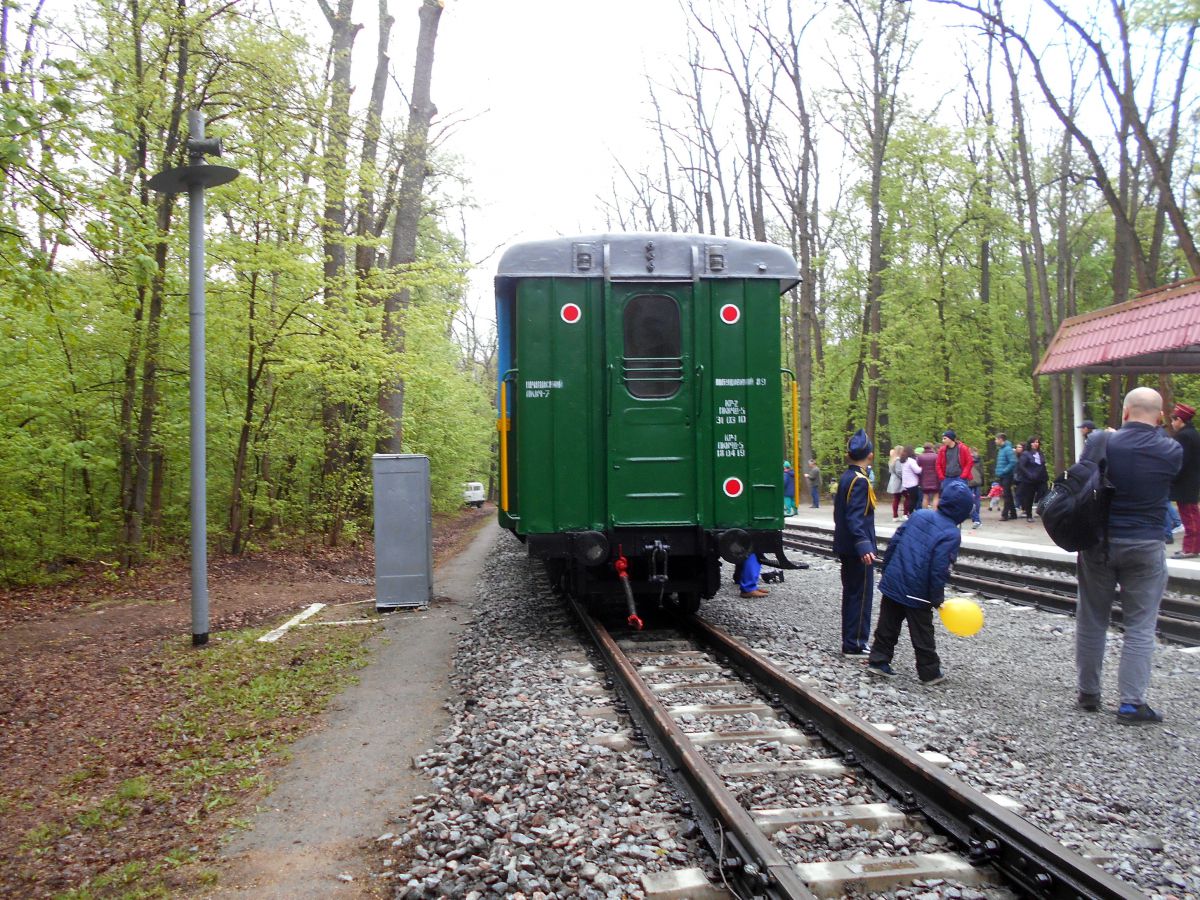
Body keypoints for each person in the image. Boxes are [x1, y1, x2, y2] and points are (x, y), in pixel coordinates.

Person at [1076, 387, 1181, 724]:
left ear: (1124, 413)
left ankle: (1089, 693)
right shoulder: (1171, 449)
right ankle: (1131, 704)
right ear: (1161, 416)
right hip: (1146, 546)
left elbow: (1081, 476)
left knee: (1092, 617)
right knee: (1140, 626)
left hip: (1099, 543)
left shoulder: (1103, 443)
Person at [866, 479, 973, 684]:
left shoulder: (920, 514)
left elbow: (895, 541)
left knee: (887, 624)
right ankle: (929, 673)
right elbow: (939, 569)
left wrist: (887, 570)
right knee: (922, 633)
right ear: (963, 511)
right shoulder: (951, 533)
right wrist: (936, 598)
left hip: (895, 582)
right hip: (918, 592)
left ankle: (878, 661)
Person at [833, 429, 877, 655]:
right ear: (869, 455)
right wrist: (864, 544)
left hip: (846, 546)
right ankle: (856, 643)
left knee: (851, 593)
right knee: (860, 596)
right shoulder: (860, 481)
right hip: (858, 549)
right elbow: (855, 516)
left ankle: (850, 640)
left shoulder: (846, 477)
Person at [1169, 403, 1200, 559]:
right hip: (1191, 480)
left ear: (1180, 420)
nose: (1173, 424)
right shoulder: (1193, 433)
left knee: (1189, 516)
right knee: (1191, 514)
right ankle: (1193, 546)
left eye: (1174, 420)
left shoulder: (1184, 436)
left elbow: (1180, 461)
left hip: (1185, 482)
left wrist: (1172, 477)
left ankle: (1190, 548)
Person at [1015, 436, 1048, 523]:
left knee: (1044, 494)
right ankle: (1029, 515)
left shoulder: (1040, 453)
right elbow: (1021, 466)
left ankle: (1042, 511)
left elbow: (1043, 464)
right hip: (1029, 480)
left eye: (1037, 442)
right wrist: (1029, 474)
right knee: (1029, 497)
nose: (1035, 444)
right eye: (1033, 442)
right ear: (1030, 444)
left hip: (1041, 478)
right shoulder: (1026, 454)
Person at [994, 433, 1017, 520]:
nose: (995, 441)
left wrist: (1004, 471)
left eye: (996, 439)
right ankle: (1013, 513)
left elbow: (1013, 462)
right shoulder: (1001, 449)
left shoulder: (1007, 449)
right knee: (1008, 495)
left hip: (1007, 475)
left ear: (1001, 439)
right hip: (1002, 475)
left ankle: (1005, 515)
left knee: (1006, 495)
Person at [899, 446, 922, 517]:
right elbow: (918, 470)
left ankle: (909, 513)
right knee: (914, 499)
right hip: (913, 483)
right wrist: (922, 467)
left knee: (911, 498)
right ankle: (911, 513)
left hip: (906, 483)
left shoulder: (903, 460)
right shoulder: (911, 461)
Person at [916, 442, 940, 508]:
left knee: (925, 496)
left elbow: (918, 467)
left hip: (924, 479)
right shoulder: (936, 456)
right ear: (932, 448)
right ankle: (935, 512)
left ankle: (925, 513)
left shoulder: (920, 457)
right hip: (935, 479)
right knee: (936, 496)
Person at [886, 446, 904, 522]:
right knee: (906, 496)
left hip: (893, 479)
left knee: (896, 498)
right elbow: (899, 471)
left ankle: (895, 515)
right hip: (899, 480)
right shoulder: (898, 460)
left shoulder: (892, 460)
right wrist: (904, 478)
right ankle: (904, 514)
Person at [967, 450, 983, 529]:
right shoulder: (978, 460)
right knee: (977, 500)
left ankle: (975, 517)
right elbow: (981, 472)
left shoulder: (966, 460)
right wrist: (982, 481)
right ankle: (976, 515)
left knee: (969, 500)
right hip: (977, 481)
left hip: (969, 481)